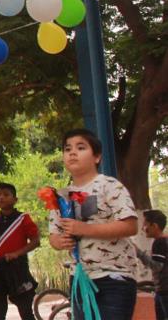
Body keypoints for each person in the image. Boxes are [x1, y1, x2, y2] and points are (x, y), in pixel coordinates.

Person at [48, 129, 139, 320]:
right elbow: (53, 237)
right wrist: (60, 241)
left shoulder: (110, 185)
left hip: (115, 277)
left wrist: (84, 229)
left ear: (96, 157)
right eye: (67, 149)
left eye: (81, 148)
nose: (72, 152)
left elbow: (130, 226)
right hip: (79, 279)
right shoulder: (60, 196)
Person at [0, 183, 39, 320]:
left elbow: (35, 241)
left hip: (18, 268)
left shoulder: (23, 219)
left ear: (15, 200)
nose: (1, 198)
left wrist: (17, 253)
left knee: (25, 311)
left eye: (6, 194)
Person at [137, 210, 168, 320]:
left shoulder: (159, 242)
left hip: (165, 291)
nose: (143, 228)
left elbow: (157, 266)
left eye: (145, 224)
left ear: (154, 226)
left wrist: (138, 253)